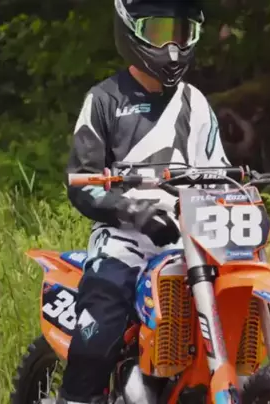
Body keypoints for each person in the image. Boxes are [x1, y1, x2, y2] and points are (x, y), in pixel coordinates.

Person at [49, 0, 230, 403]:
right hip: (121, 242)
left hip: (190, 243)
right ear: (130, 30)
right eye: (158, 32)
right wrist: (133, 211)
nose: (171, 47)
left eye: (180, 33)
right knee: (100, 330)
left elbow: (219, 173)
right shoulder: (104, 99)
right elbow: (81, 183)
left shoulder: (196, 103)